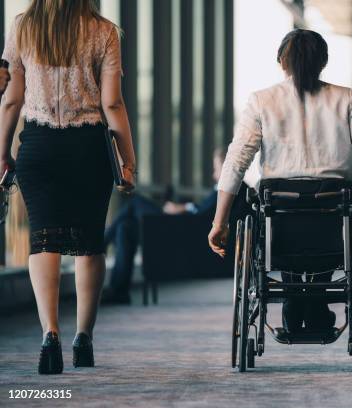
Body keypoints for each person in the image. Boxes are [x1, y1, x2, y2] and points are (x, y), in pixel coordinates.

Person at [208, 29, 352, 333]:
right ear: (323, 62)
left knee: (280, 224)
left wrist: (219, 222)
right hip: (331, 220)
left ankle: (294, 301)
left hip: (280, 220)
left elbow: (236, 161)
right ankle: (314, 305)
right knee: (326, 227)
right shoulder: (344, 99)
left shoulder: (262, 101)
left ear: (280, 61)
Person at [0, 0, 136, 374]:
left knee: (44, 240)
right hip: (88, 149)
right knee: (90, 243)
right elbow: (112, 102)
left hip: (39, 148)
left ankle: (50, 335)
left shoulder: (23, 28)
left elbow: (11, 98)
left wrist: (2, 153)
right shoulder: (104, 31)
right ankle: (83, 338)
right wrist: (128, 160)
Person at [102, 147, 249, 304]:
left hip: (177, 232)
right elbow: (206, 212)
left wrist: (179, 208)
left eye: (216, 168)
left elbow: (201, 213)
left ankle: (103, 242)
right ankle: (119, 291)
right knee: (126, 228)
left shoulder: (228, 189)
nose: (214, 174)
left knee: (135, 202)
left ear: (227, 167)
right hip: (181, 231)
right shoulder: (236, 191)